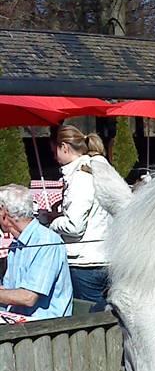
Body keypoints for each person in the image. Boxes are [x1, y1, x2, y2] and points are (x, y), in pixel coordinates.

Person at [48, 124, 112, 310]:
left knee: (90, 317)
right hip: (102, 255)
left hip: (85, 262)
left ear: (65, 147)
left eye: (55, 152)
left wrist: (53, 221)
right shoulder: (98, 168)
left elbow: (75, 227)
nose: (54, 157)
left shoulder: (80, 178)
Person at [0, 184, 73, 320]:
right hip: (19, 323)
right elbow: (10, 290)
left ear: (3, 214)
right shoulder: (16, 244)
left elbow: (28, 297)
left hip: (47, 331)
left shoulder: (46, 241)